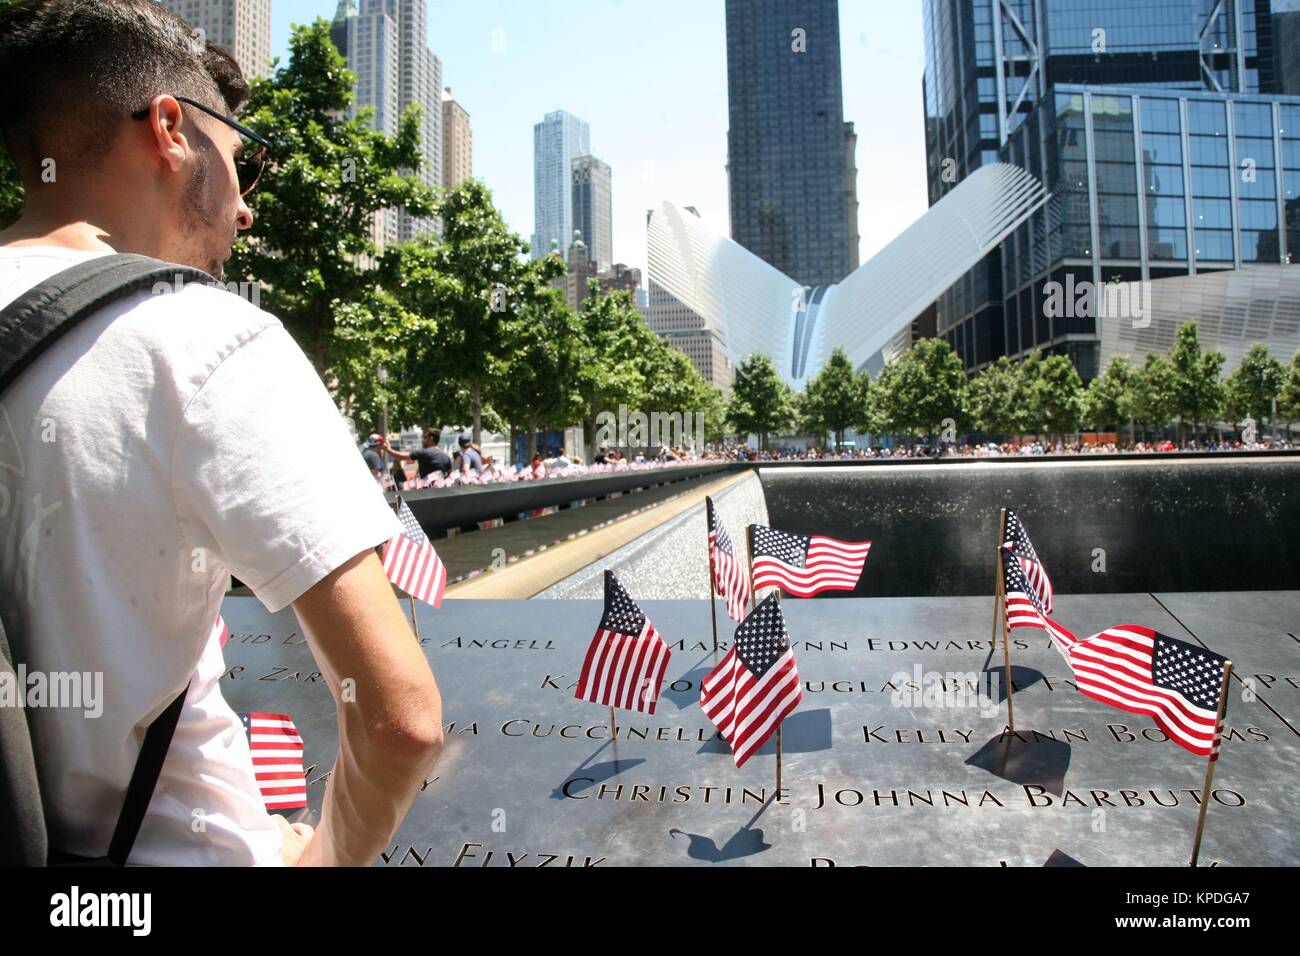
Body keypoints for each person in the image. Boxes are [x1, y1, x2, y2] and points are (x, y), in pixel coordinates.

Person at [0, 0, 442, 866]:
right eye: (245, 162)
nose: (245, 210)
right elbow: (402, 720)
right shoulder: (206, 334)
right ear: (171, 128)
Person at [383, 427, 452, 480]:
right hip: (442, 493)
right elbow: (451, 476)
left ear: (431, 438)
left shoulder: (423, 452)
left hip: (427, 494)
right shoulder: (446, 457)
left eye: (425, 438)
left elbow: (401, 457)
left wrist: (388, 449)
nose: (423, 440)